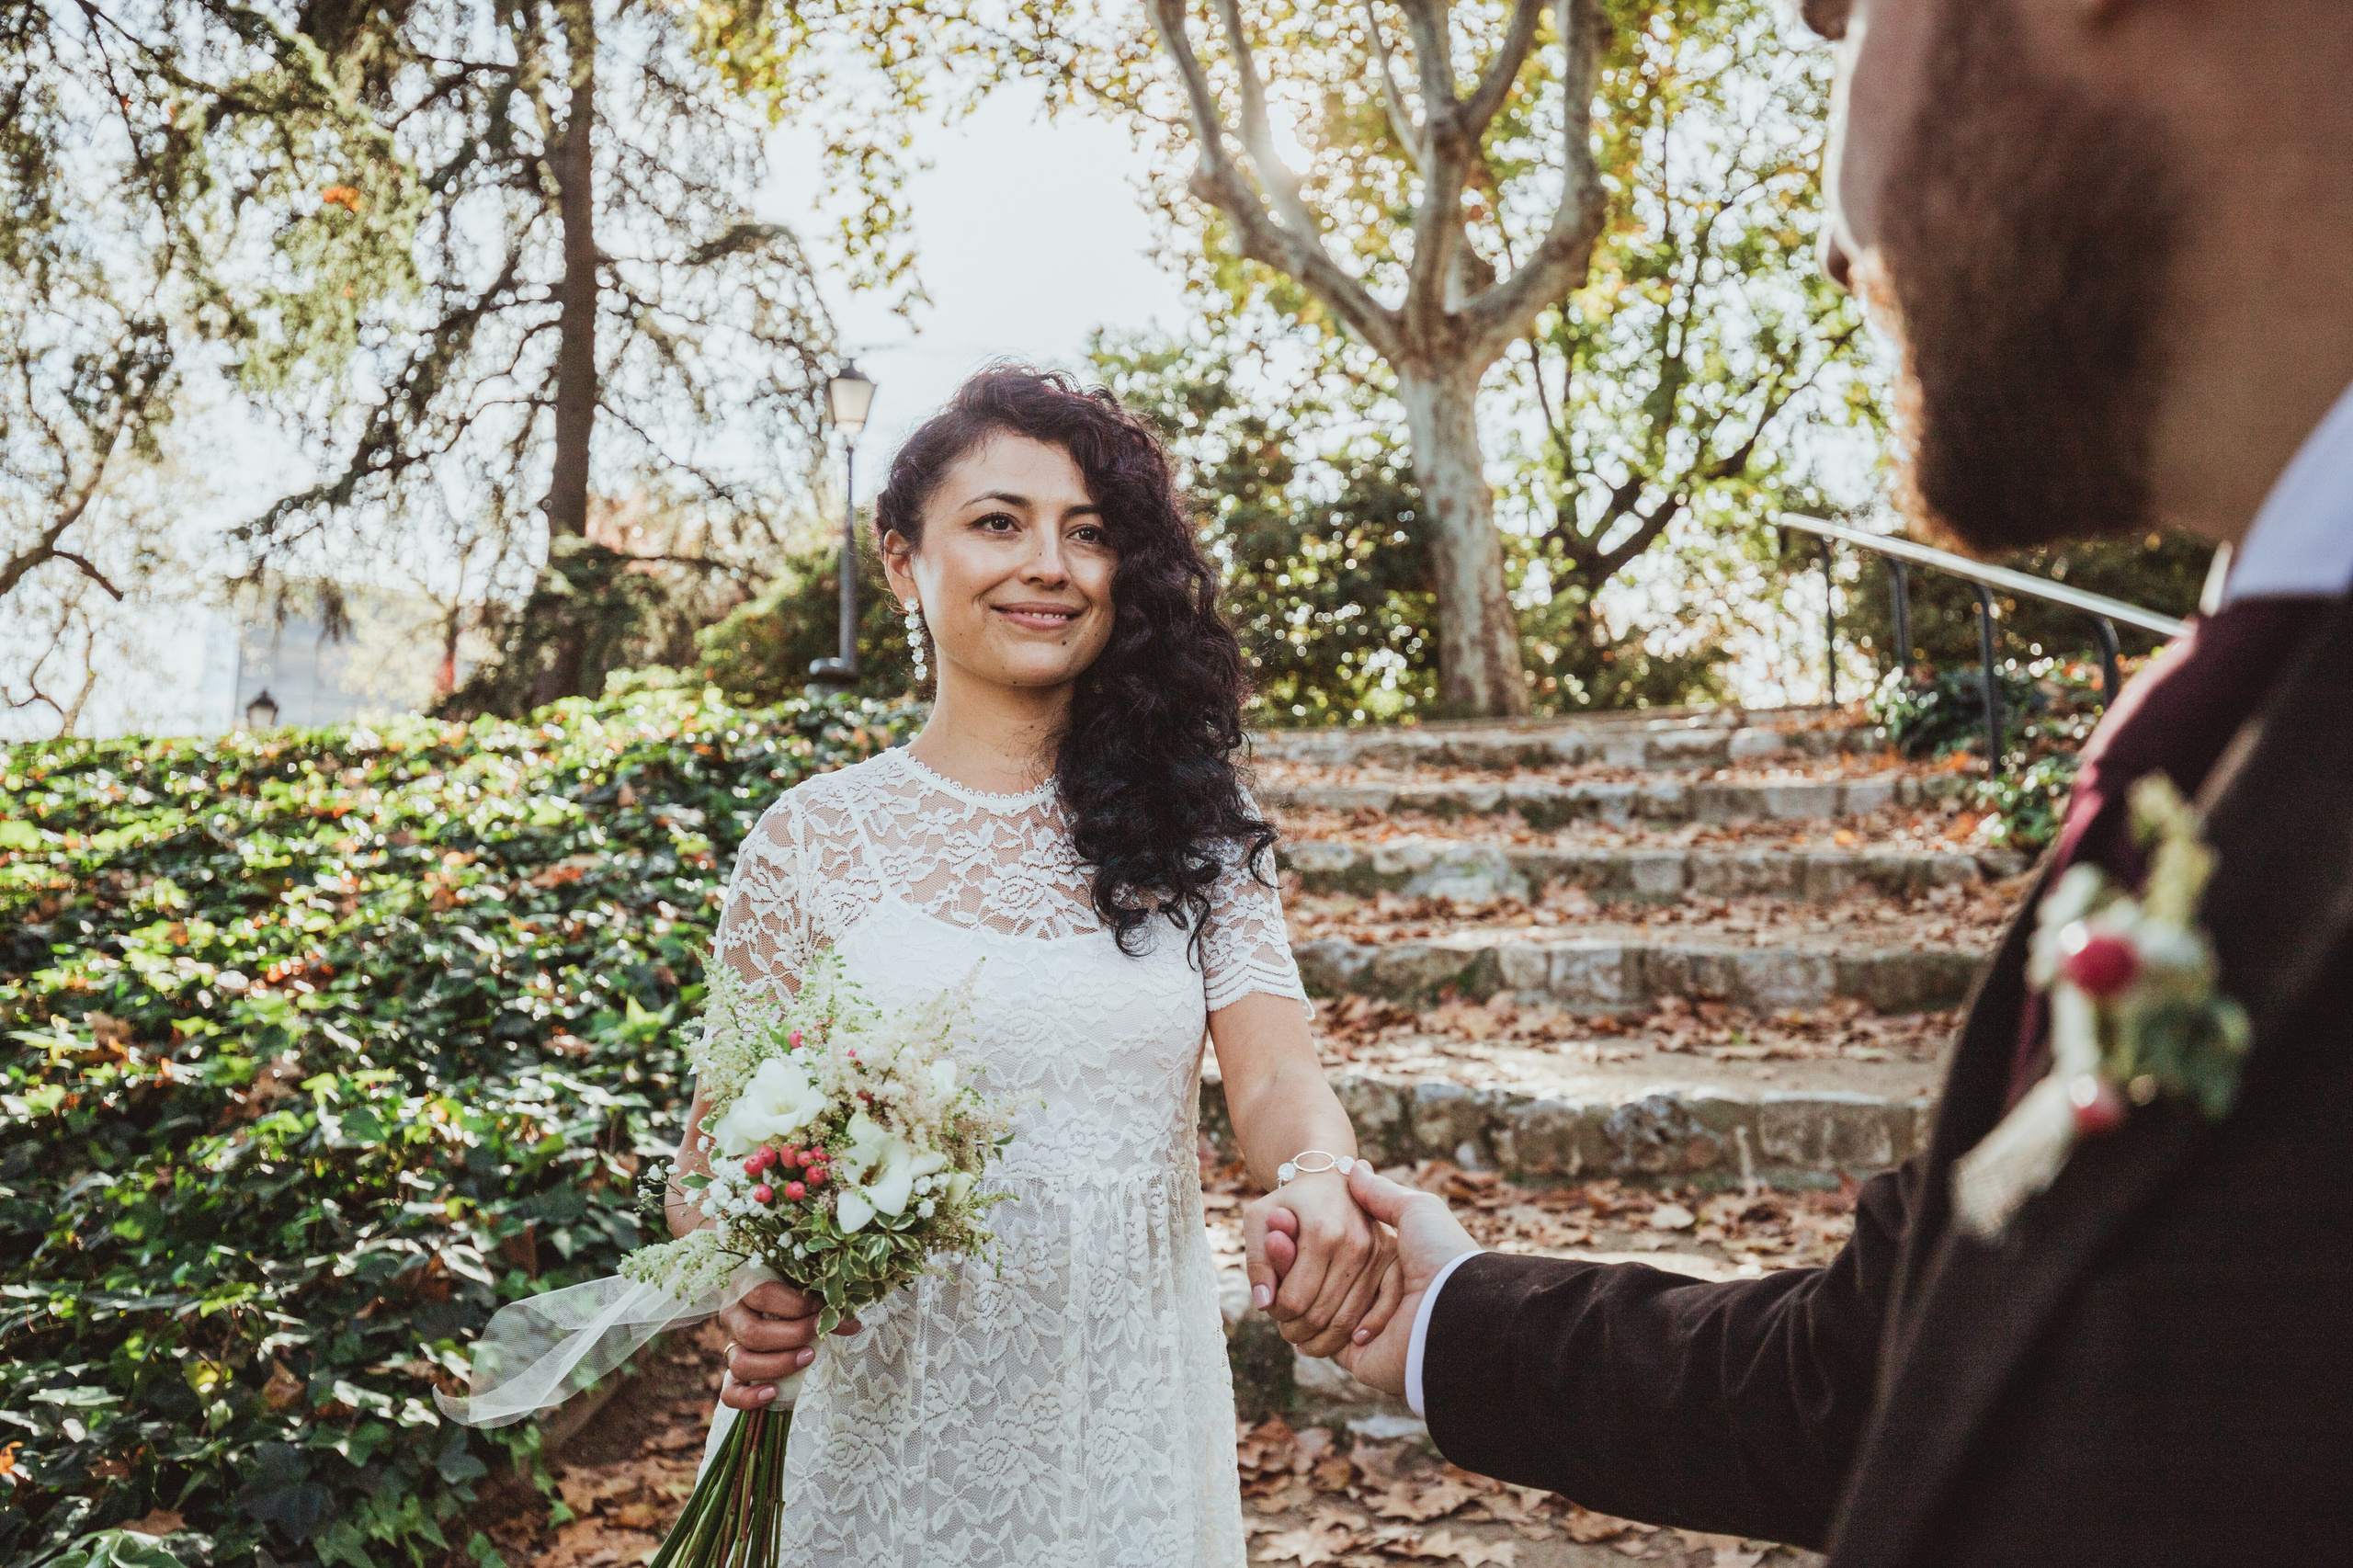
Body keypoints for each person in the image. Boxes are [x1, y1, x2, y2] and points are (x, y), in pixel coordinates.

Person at [1270, 0, 2353, 1562]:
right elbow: (1900, 1366)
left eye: (1844, 22)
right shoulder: (2246, 706)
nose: (1828, 198)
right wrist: (1449, 1311)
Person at [666, 366, 1396, 1565]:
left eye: (1090, 532)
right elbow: (708, 1167)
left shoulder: (1201, 833)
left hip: (1121, 1427)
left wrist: (1319, 1172)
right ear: (903, 560)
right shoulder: (811, 839)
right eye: (998, 521)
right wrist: (749, 1272)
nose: (1049, 563)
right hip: (876, 1434)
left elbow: (1273, 1082)